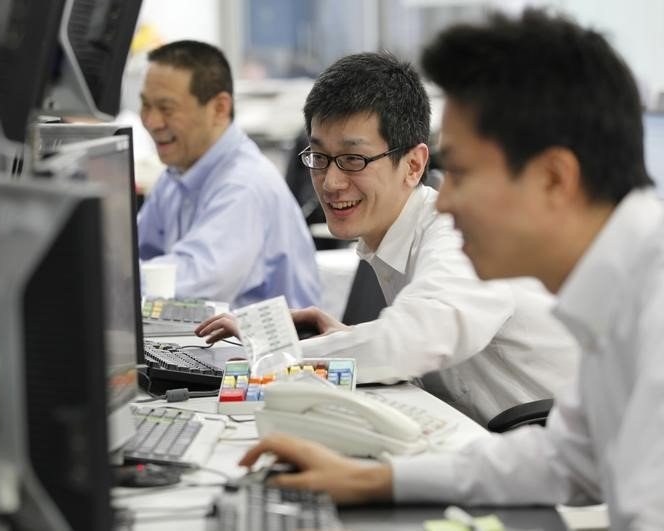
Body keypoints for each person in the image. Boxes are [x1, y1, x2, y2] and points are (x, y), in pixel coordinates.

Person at [238, 9, 664, 529]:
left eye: (459, 172)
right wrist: (374, 481)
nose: (442, 200)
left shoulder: (651, 311)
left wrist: (272, 364)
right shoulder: (618, 294)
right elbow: (567, 458)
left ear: (554, 178)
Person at [197, 51, 578, 425]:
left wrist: (278, 356)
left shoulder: (459, 235)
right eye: (319, 157)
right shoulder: (395, 236)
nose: (330, 183)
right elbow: (420, 342)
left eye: (353, 160)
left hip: (547, 457)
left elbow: (416, 340)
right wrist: (348, 339)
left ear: (413, 165)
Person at [136, 40, 321, 309]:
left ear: (219, 108)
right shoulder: (176, 176)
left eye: (167, 108)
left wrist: (110, 280)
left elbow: (192, 284)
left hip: (262, 337)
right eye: (145, 105)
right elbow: (133, 256)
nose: (151, 122)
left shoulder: (243, 185)